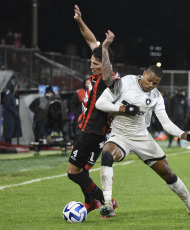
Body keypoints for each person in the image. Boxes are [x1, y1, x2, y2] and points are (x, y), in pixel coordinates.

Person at [96, 62, 190, 218]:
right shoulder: (125, 82)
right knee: (107, 154)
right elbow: (100, 103)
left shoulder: (156, 96)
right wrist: (123, 109)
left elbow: (165, 123)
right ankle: (108, 204)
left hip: (142, 137)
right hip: (120, 134)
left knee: (167, 172)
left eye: (155, 83)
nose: (151, 85)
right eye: (149, 80)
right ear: (144, 73)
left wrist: (185, 135)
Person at [66, 5, 119, 215]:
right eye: (91, 62)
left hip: (90, 130)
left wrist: (104, 49)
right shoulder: (99, 66)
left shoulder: (109, 77)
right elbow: (90, 40)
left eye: (95, 64)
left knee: (73, 173)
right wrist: (80, 21)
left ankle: (106, 200)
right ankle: (91, 203)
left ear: (104, 63)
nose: (92, 66)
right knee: (84, 171)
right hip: (92, 131)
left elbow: (106, 74)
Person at [70, 77, 90, 142]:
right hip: (80, 118)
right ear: (84, 83)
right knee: (78, 134)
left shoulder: (94, 92)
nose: (88, 84)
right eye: (87, 82)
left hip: (91, 118)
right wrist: (77, 115)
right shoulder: (79, 93)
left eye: (90, 82)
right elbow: (72, 105)